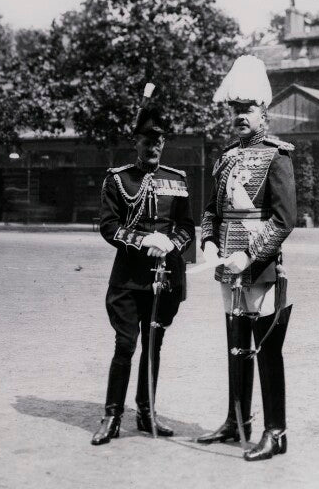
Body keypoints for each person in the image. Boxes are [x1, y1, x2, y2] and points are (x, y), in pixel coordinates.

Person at [196, 55, 297, 461]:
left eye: (247, 109)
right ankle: (236, 421)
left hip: (260, 268)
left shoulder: (278, 156)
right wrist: (207, 243)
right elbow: (210, 211)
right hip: (227, 268)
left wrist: (249, 255)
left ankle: (276, 432)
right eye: (234, 110)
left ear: (263, 112)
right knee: (235, 347)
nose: (240, 116)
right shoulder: (225, 158)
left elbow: (284, 219)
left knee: (267, 350)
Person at [91, 100, 194, 445]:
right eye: (147, 140)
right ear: (135, 141)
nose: (154, 146)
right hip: (128, 280)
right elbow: (109, 227)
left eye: (160, 140)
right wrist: (144, 239)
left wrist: (170, 243)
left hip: (165, 281)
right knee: (125, 345)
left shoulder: (176, 180)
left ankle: (146, 413)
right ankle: (112, 416)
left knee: (154, 346)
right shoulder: (118, 180)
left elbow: (186, 227)